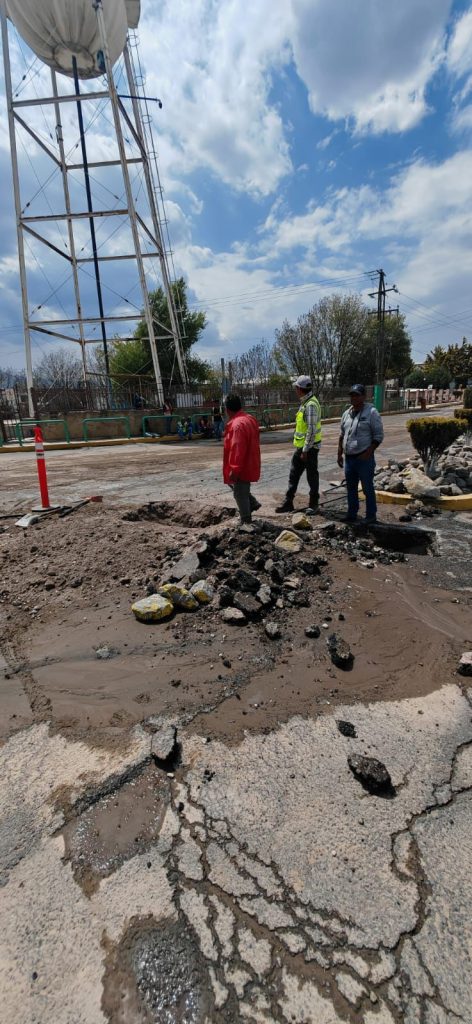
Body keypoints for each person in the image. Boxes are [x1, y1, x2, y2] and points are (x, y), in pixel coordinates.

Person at [337, 384, 384, 524]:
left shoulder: (372, 412)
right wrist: (339, 453)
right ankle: (352, 514)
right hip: (349, 459)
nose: (354, 398)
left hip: (364, 458)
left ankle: (371, 515)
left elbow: (378, 435)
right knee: (351, 488)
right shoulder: (346, 413)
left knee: (367, 488)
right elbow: (342, 434)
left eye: (357, 395)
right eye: (352, 395)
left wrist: (369, 452)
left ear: (363, 396)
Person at [275, 375, 322, 514]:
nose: (295, 390)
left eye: (296, 388)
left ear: (299, 389)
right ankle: (288, 502)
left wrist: (305, 450)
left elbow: (311, 430)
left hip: (309, 448)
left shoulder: (311, 405)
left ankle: (314, 504)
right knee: (294, 474)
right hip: (303, 448)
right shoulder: (305, 403)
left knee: (311, 476)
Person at [223, 394, 261, 524]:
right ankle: (253, 503)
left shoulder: (237, 425)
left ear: (227, 409)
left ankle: (246, 522)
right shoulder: (249, 419)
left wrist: (234, 469)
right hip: (251, 460)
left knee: (239, 493)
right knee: (241, 489)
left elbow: (237, 449)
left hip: (242, 464)